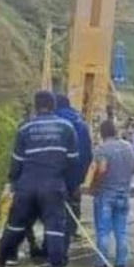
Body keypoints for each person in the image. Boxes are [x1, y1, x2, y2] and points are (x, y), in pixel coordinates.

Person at [0, 91, 79, 267]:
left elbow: (16, 162)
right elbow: (74, 161)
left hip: (27, 185)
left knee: (14, 226)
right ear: (54, 105)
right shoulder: (67, 127)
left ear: (35, 106)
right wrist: (72, 186)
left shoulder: (25, 128)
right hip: (53, 185)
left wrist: (13, 182)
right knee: (55, 229)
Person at [89, 120, 134, 267]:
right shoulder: (129, 146)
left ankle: (101, 265)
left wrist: (93, 186)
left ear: (102, 134)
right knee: (121, 231)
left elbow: (102, 169)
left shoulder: (103, 149)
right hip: (124, 193)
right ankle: (120, 265)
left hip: (106, 194)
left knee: (103, 231)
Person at [55, 94, 92, 248]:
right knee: (74, 202)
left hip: (57, 173)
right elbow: (88, 154)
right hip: (76, 172)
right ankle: (71, 232)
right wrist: (80, 177)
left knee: (56, 207)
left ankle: (56, 239)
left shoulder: (56, 122)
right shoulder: (81, 124)